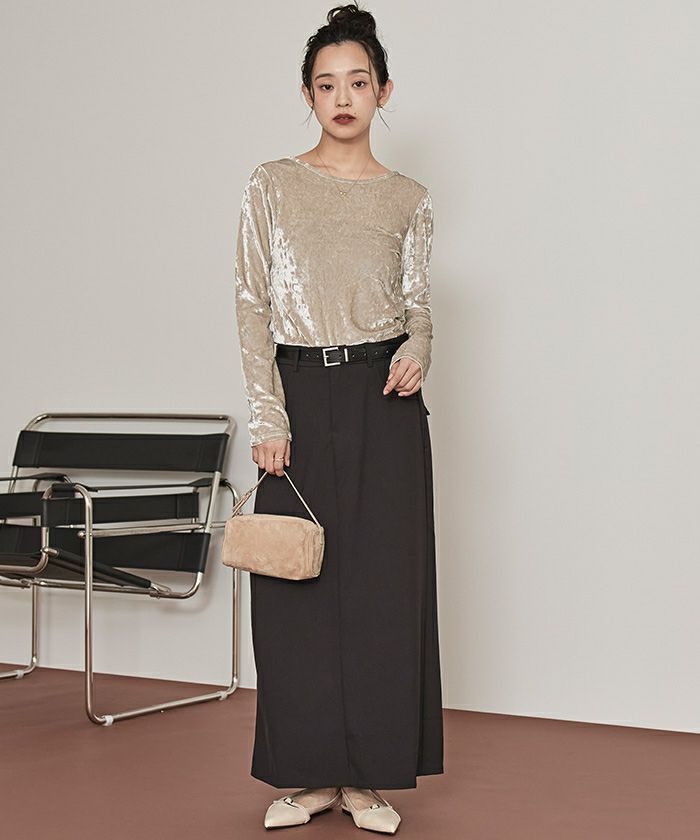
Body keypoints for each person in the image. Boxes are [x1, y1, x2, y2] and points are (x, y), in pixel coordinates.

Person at [234, 3, 444, 833]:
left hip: (384, 404)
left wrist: (419, 348)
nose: (343, 97)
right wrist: (267, 413)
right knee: (298, 588)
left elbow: (419, 306)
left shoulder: (409, 199)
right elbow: (252, 304)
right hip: (298, 392)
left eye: (359, 82)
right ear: (308, 95)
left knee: (383, 591)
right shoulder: (273, 184)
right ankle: (311, 772)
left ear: (383, 90)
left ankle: (367, 779)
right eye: (327, 85)